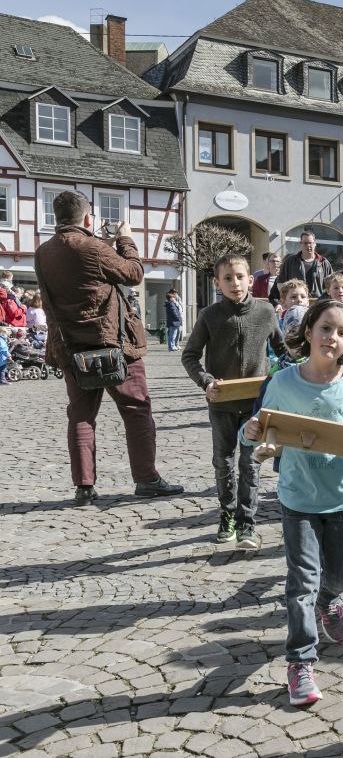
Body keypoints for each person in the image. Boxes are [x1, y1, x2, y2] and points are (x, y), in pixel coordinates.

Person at [242, 300, 343, 706]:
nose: (331, 337)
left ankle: (330, 600)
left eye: (341, 332)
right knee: (300, 581)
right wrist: (251, 433)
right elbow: (256, 434)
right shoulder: (282, 383)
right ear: (308, 330)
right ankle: (300, 661)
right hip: (298, 497)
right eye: (325, 328)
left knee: (340, 574)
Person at [34, 190, 183, 506]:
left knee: (81, 417)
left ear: (57, 217)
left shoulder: (43, 252)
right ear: (88, 218)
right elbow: (133, 272)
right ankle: (147, 479)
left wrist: (102, 243)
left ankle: (84, 486)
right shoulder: (94, 248)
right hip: (115, 344)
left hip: (73, 348)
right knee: (136, 410)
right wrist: (125, 239)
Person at [182, 253, 284, 548]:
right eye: (227, 278)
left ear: (250, 280)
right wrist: (206, 381)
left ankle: (247, 522)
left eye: (240, 277)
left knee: (251, 463)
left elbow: (283, 351)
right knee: (223, 463)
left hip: (255, 404)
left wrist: (280, 377)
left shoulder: (265, 312)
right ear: (217, 283)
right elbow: (190, 356)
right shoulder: (210, 316)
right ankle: (227, 513)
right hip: (222, 404)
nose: (235, 283)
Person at [271, 231, 333, 302]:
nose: (308, 245)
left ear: (315, 243)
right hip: (296, 302)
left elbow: (330, 285)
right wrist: (286, 299)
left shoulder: (323, 262)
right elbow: (280, 282)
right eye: (305, 243)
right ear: (300, 244)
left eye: (310, 243)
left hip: (318, 302)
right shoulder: (290, 261)